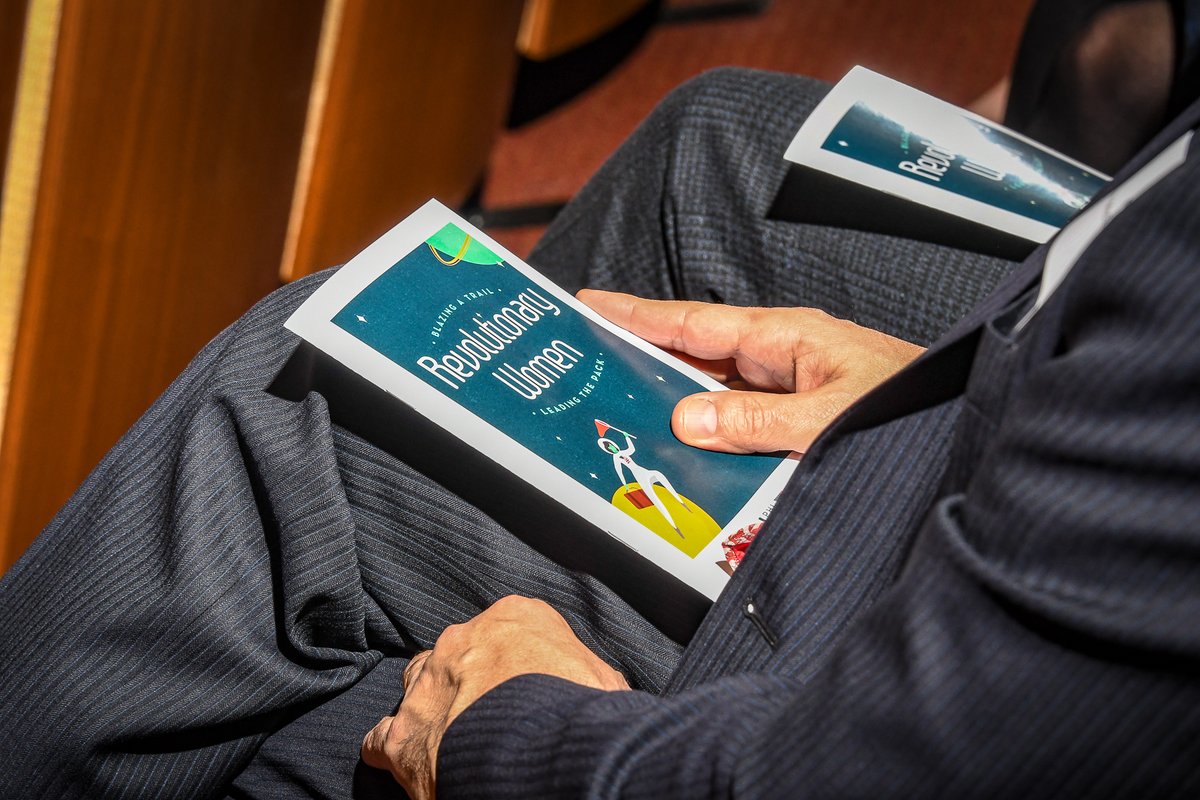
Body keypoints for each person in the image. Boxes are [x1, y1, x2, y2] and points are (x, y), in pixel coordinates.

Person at [3, 15, 1200, 800]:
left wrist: (509, 724)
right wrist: (960, 373)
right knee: (709, 147)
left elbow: (870, 770)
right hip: (1095, 383)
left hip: (914, 689)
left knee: (293, 391)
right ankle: (396, 623)